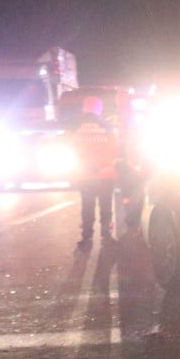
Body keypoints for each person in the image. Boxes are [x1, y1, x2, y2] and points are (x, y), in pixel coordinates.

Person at [73, 96, 119, 249]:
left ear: (84, 108)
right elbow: (114, 149)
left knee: (87, 205)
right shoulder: (107, 127)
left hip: (85, 175)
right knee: (105, 205)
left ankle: (86, 235)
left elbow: (72, 149)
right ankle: (106, 234)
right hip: (105, 174)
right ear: (99, 109)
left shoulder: (76, 127)